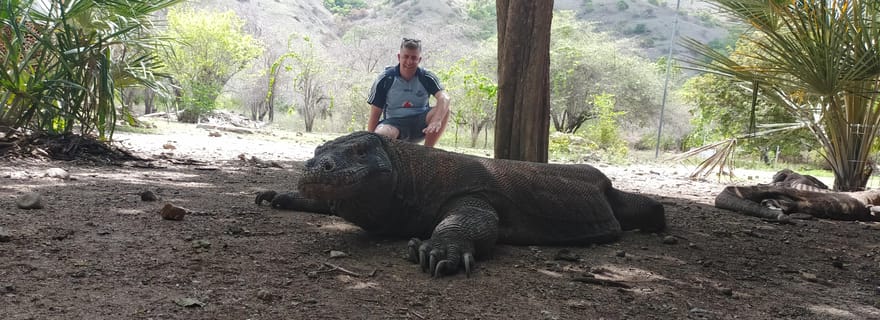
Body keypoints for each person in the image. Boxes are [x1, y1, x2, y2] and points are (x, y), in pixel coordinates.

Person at [367, 38, 451, 147]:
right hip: (393, 124)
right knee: (382, 133)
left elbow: (445, 98)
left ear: (419, 59)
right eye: (406, 57)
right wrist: (369, 142)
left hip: (421, 124)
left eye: (414, 58)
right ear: (399, 57)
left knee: (445, 109)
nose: (409, 61)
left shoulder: (426, 77)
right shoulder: (385, 79)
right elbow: (374, 115)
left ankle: (428, 151)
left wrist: (437, 120)